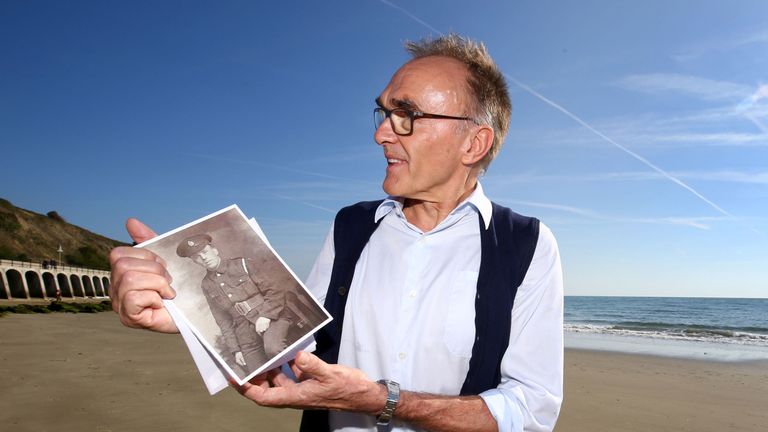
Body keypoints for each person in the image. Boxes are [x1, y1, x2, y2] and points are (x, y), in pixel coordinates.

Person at [109, 34, 563, 432]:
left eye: (406, 114)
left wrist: (381, 402)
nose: (382, 133)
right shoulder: (351, 226)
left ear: (473, 143)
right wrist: (184, 312)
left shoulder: (527, 245)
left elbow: (528, 409)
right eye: (382, 113)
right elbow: (296, 347)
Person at [176, 233, 293, 372]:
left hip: (272, 318)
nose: (204, 258)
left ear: (215, 250)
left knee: (273, 349)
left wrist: (266, 316)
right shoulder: (206, 285)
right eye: (197, 257)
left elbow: (275, 290)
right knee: (256, 373)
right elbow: (222, 320)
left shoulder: (242, 264)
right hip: (244, 332)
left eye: (205, 252)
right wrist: (235, 350)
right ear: (194, 261)